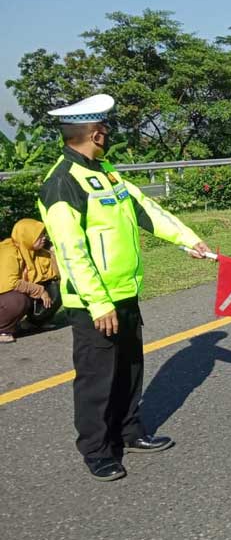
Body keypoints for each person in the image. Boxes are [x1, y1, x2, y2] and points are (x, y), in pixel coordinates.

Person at [38, 94, 213, 482]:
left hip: (125, 292)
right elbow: (70, 250)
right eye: (106, 128)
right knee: (97, 378)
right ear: (96, 134)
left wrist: (188, 239)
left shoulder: (107, 172)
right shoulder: (63, 182)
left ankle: (130, 431)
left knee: (129, 370)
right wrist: (99, 302)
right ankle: (97, 450)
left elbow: (146, 210)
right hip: (94, 302)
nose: (109, 134)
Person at [0, 219, 61, 343]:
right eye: (39, 235)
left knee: (55, 289)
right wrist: (39, 290)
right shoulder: (8, 251)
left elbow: (57, 276)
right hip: (5, 293)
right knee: (17, 300)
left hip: (15, 290)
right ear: (26, 235)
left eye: (44, 234)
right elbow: (11, 283)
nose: (44, 238)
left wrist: (53, 252)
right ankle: (3, 330)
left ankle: (33, 322)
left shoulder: (38, 252)